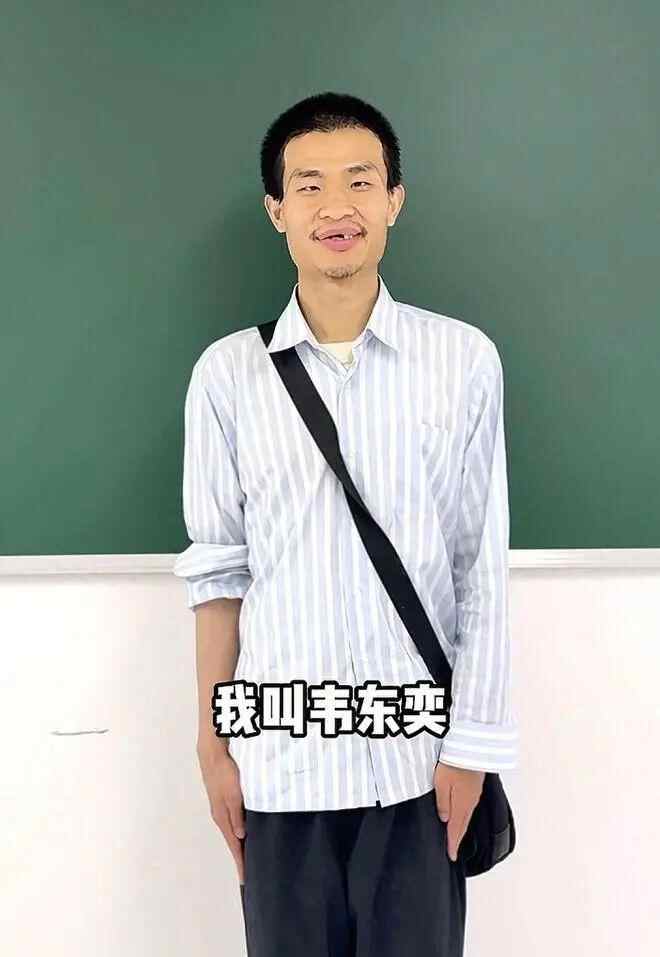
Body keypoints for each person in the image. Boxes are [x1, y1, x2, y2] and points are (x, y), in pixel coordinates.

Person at [173, 91, 518, 957]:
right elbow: (219, 577)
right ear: (277, 210)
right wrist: (214, 749)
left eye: (360, 181)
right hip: (279, 770)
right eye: (310, 184)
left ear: (394, 199)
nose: (337, 206)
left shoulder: (463, 360)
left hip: (419, 770)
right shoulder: (227, 376)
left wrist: (471, 746)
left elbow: (480, 570)